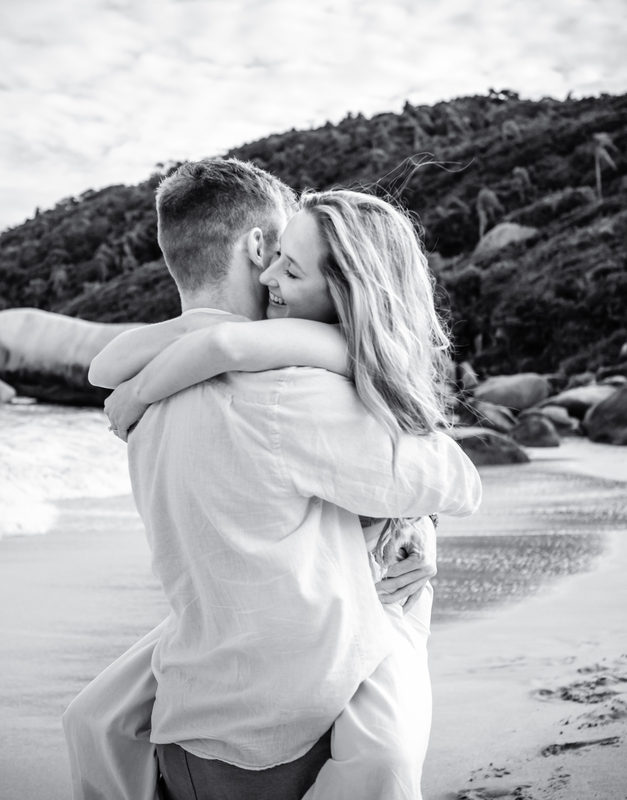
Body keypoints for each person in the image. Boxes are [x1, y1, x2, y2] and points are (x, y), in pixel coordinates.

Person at [63, 158, 481, 799]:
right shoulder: (290, 387)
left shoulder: (145, 386)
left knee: (98, 713)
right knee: (391, 706)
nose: (274, 277)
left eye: (294, 265)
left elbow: (124, 362)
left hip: (190, 702)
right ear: (259, 244)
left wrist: (407, 524)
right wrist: (422, 523)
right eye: (279, 256)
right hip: (289, 728)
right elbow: (453, 481)